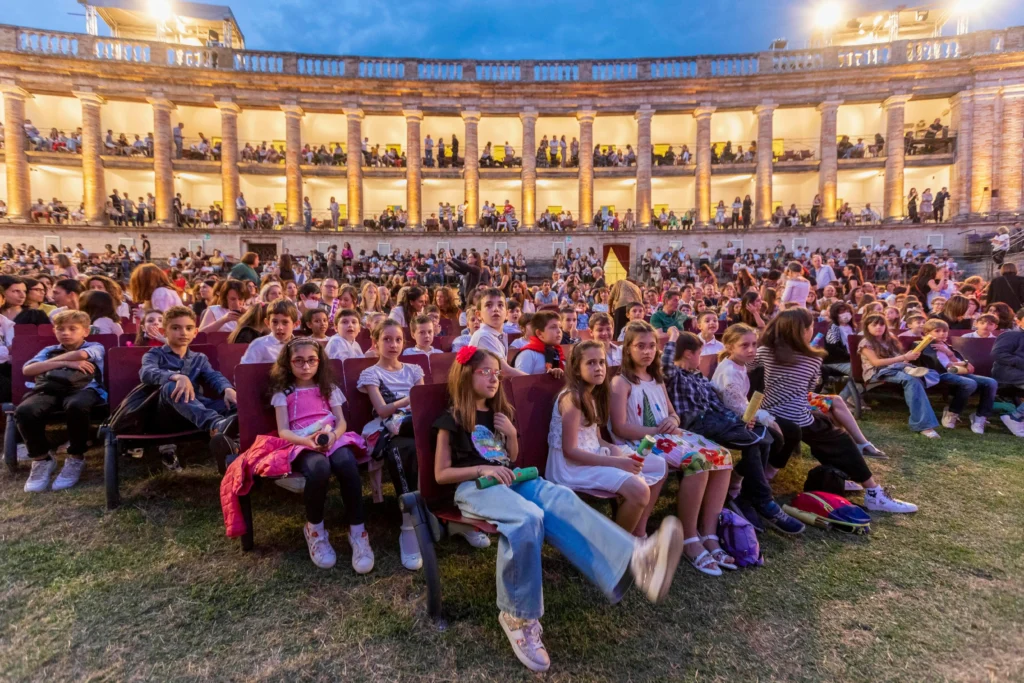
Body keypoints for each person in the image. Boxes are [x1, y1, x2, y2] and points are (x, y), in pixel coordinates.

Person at [433, 346, 684, 673]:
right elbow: (441, 474)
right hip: (475, 487)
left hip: (512, 478)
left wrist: (510, 435)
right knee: (528, 518)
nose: (495, 378)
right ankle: (517, 615)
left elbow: (511, 456)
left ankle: (636, 559)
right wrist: (480, 470)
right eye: (486, 372)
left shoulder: (500, 413)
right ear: (466, 375)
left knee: (562, 499)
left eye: (497, 372)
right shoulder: (451, 419)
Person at [227, 338, 372, 573]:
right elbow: (284, 430)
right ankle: (315, 529)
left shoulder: (328, 388)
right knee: (318, 469)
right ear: (288, 363)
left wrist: (334, 436)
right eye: (299, 361)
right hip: (300, 440)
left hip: (331, 435)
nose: (306, 366)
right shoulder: (283, 393)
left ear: (319, 362)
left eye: (311, 360)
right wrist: (306, 442)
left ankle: (358, 531)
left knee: (347, 464)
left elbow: (342, 421)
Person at [759, 310, 917, 512]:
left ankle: (844, 472)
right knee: (838, 438)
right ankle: (873, 493)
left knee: (827, 425)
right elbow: (810, 388)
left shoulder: (764, 351)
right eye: (811, 327)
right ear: (804, 331)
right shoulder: (812, 358)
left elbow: (751, 368)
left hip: (767, 412)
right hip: (794, 417)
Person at [609, 321, 734, 576]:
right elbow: (620, 427)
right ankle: (689, 538)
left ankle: (708, 533)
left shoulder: (656, 379)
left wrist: (673, 421)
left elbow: (672, 413)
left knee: (723, 456)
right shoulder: (621, 383)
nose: (647, 351)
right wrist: (658, 430)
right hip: (641, 441)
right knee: (698, 461)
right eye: (640, 346)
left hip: (667, 435)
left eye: (652, 346)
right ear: (628, 349)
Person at [546, 341, 667, 535]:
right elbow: (570, 451)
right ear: (576, 370)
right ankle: (617, 545)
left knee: (658, 464)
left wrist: (614, 450)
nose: (599, 368)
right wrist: (615, 462)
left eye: (602, 362)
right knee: (639, 490)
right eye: (591, 363)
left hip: (593, 454)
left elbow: (594, 438)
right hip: (572, 467)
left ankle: (636, 528)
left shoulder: (591, 395)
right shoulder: (572, 398)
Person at [710, 324, 804, 533]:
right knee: (764, 438)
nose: (752, 350)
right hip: (726, 421)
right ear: (730, 346)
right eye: (745, 345)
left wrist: (766, 420)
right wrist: (769, 420)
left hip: (739, 418)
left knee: (775, 436)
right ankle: (760, 498)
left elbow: (744, 407)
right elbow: (736, 407)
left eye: (754, 344)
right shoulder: (729, 371)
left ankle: (745, 492)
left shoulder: (740, 365)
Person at [356, 319, 434, 569]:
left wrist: (413, 403)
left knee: (440, 438)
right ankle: (408, 525)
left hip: (416, 422)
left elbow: (423, 405)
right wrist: (407, 400)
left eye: (398, 339)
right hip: (390, 426)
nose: (393, 344)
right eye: (387, 339)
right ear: (375, 343)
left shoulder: (413, 370)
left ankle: (446, 510)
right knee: (406, 448)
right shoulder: (371, 374)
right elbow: (381, 409)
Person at [17, 311, 106, 493]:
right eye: (60, 329)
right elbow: (28, 369)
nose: (66, 333)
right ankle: (42, 459)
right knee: (25, 410)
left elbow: (81, 355)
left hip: (83, 389)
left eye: (73, 329)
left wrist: (55, 361)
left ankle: (75, 456)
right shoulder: (49, 350)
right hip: (50, 389)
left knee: (77, 406)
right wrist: (65, 362)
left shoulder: (95, 346)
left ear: (85, 331)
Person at [140, 306, 237, 441]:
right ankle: (216, 425)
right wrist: (176, 376)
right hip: (167, 413)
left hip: (197, 408)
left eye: (189, 328)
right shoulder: (155, 354)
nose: (183, 333)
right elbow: (146, 372)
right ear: (164, 332)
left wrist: (227, 388)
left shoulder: (199, 358)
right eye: (175, 328)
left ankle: (231, 438)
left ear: (195, 332)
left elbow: (213, 375)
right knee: (172, 386)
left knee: (234, 402)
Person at [857, 313, 940, 439]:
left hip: (896, 368)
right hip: (876, 372)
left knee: (921, 376)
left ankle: (924, 422)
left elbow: (898, 359)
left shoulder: (889, 339)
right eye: (874, 325)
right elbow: (876, 362)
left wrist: (909, 358)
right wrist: (903, 358)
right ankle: (924, 426)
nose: (879, 327)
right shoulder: (865, 342)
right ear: (867, 327)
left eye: (881, 324)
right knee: (911, 379)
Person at [916, 319, 996, 434]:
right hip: (941, 374)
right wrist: (957, 362)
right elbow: (943, 366)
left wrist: (949, 353)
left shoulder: (946, 346)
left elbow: (959, 362)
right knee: (969, 383)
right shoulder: (926, 346)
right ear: (927, 333)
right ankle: (952, 412)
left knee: (991, 382)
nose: (942, 334)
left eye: (944, 331)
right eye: (937, 331)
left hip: (957, 372)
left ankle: (980, 416)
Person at [993, 307, 1024, 437]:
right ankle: (1014, 417)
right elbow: (998, 354)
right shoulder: (1010, 335)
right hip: (1008, 373)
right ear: (1019, 321)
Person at [512, 310, 566, 376]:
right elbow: (520, 383)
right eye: (553, 327)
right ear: (539, 333)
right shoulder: (528, 354)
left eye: (560, 327)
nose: (559, 331)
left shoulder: (558, 352)